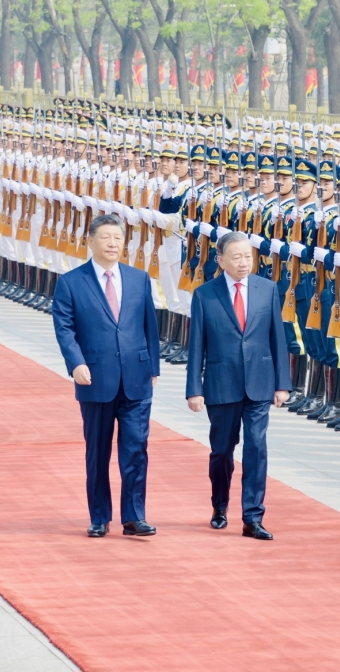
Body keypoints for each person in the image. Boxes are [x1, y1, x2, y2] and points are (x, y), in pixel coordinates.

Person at [52, 213, 160, 539]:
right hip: (95, 379)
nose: (113, 244)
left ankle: (134, 517)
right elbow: (65, 329)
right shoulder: (71, 282)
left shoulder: (139, 279)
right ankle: (100, 517)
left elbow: (149, 327)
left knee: (135, 449)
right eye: (106, 238)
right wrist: (76, 363)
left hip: (137, 378)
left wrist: (153, 366)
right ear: (90, 241)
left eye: (118, 238)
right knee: (98, 453)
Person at [186, 231, 292, 539]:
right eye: (236, 257)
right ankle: (220, 505)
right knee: (222, 451)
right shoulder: (205, 294)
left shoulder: (267, 289)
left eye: (248, 256)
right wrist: (195, 389)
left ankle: (252, 517)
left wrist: (282, 383)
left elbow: (277, 337)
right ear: (220, 260)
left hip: (260, 382)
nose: (244, 262)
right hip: (221, 385)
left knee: (257, 448)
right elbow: (196, 346)